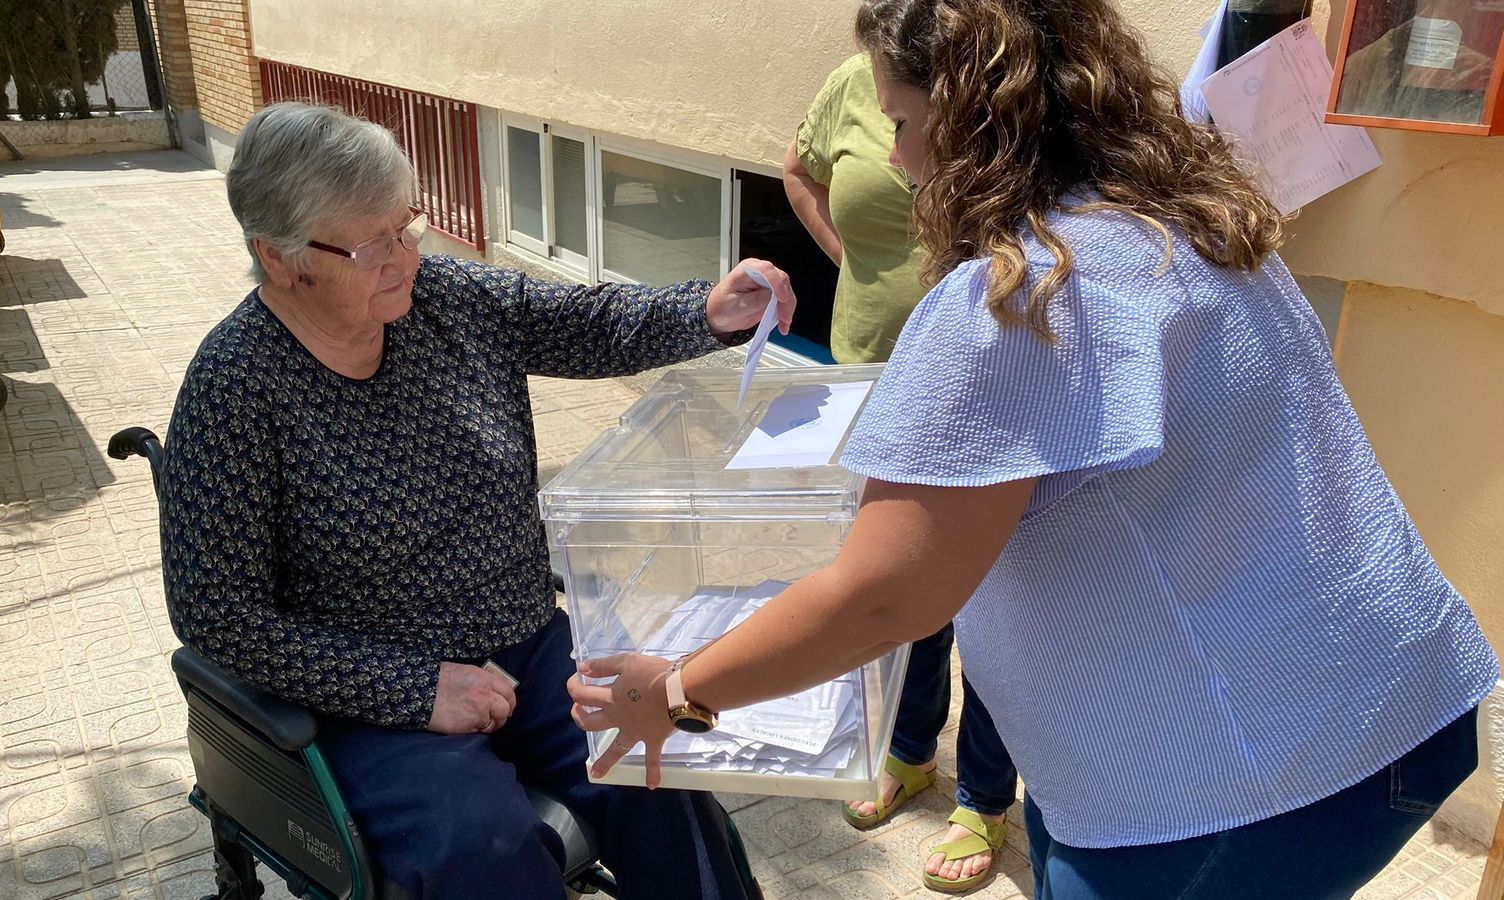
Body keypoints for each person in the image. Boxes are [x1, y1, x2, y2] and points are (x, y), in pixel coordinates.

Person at [568, 2, 1499, 898]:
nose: (895, 157)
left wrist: (682, 691)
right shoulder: (1190, 221)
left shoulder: (1018, 294)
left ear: (975, 115)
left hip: (1241, 786)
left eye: (901, 119)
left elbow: (891, 594)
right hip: (1392, 707)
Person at [159, 102, 797, 900]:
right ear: (280, 259)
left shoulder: (448, 299)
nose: (404, 258)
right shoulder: (233, 388)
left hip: (529, 643)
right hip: (371, 698)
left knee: (657, 768)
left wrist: (706, 312)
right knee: (487, 851)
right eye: (371, 245)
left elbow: (582, 323)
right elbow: (219, 616)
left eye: (405, 227)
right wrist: (413, 690)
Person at [784, 52, 1015, 892]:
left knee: (990, 598)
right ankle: (912, 750)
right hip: (869, 376)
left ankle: (986, 795)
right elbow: (797, 170)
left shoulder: (1002, 74)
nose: (893, 151)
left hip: (984, 390)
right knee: (899, 581)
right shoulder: (856, 77)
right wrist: (851, 256)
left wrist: (685, 693)